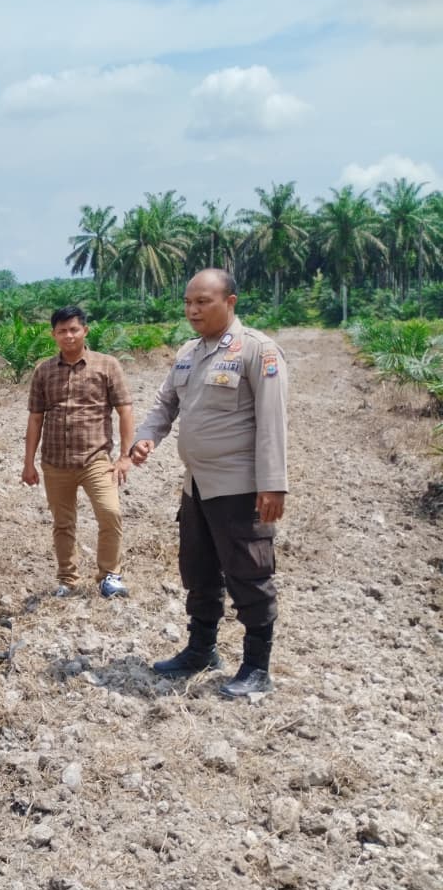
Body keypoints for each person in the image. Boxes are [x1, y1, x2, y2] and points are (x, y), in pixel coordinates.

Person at [130, 268, 288, 698]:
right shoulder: (189, 352)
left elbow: (273, 421)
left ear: (230, 302)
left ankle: (256, 667)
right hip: (196, 485)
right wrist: (146, 437)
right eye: (188, 302)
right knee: (198, 571)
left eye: (203, 302)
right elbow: (165, 403)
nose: (192, 310)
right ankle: (201, 650)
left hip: (240, 487)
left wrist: (273, 484)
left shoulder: (257, 350)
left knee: (249, 575)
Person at [22, 305, 135, 599]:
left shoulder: (107, 365)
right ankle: (67, 579)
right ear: (53, 335)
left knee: (110, 513)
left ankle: (109, 575)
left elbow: (125, 411)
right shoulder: (43, 370)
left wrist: (125, 457)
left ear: (85, 330)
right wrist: (28, 463)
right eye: (62, 331)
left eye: (74, 329)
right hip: (55, 462)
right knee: (63, 523)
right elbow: (35, 418)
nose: (69, 336)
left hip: (96, 459)